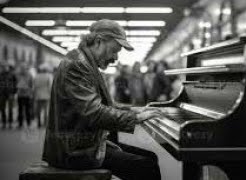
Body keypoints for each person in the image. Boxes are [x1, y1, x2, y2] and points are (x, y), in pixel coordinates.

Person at [42, 19, 163, 180]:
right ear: (99, 41)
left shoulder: (86, 62)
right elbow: (94, 113)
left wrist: (134, 110)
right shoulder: (77, 65)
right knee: (146, 166)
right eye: (114, 50)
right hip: (72, 151)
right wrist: (136, 118)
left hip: (82, 143)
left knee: (150, 158)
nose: (115, 58)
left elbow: (105, 105)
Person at [17, 64, 33, 128]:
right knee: (20, 109)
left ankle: (28, 123)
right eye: (22, 68)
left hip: (26, 94)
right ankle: (21, 123)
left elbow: (31, 85)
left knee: (27, 109)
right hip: (21, 94)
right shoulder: (18, 75)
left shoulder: (29, 75)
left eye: (24, 68)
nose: (23, 69)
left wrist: (30, 92)